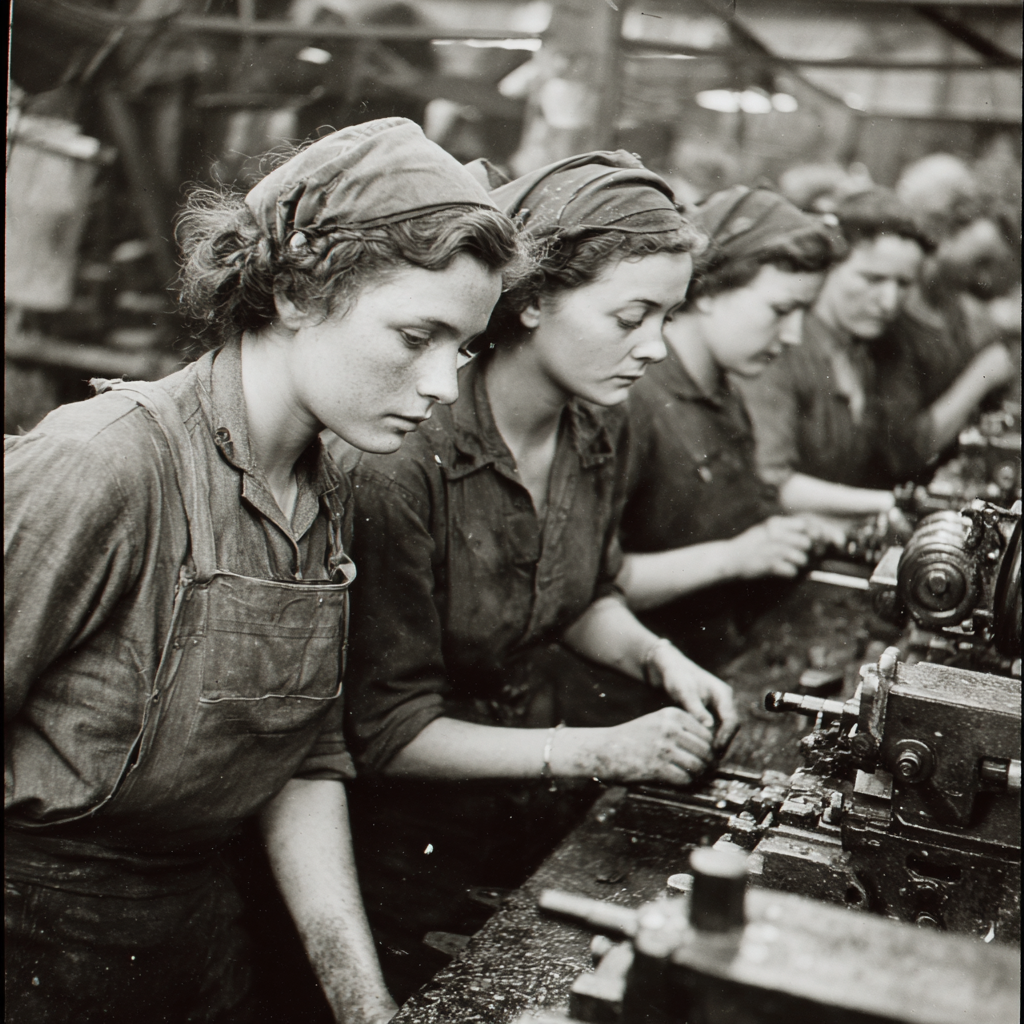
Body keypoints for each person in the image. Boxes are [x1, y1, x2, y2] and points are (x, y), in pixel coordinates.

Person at [4, 117, 524, 1024]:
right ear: (293, 292)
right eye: (416, 335)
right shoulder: (103, 466)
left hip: (198, 945)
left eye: (464, 346)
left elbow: (303, 759)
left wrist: (362, 1003)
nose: (445, 384)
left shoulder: (329, 489)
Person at [340, 151, 737, 997]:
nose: (655, 347)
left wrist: (660, 659)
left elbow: (580, 594)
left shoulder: (602, 424)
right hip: (397, 861)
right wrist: (598, 749)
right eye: (631, 315)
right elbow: (387, 733)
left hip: (520, 820)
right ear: (530, 300)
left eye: (668, 316)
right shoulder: (401, 463)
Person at [616, 187, 842, 669]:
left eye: (803, 314)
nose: (793, 336)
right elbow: (584, 589)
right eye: (780, 311)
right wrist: (734, 557)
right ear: (710, 290)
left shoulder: (725, 391)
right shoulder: (634, 398)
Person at [734, 188, 939, 517]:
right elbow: (770, 480)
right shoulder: (780, 347)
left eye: (903, 284)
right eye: (872, 279)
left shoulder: (861, 353)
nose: (888, 302)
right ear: (829, 267)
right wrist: (896, 505)